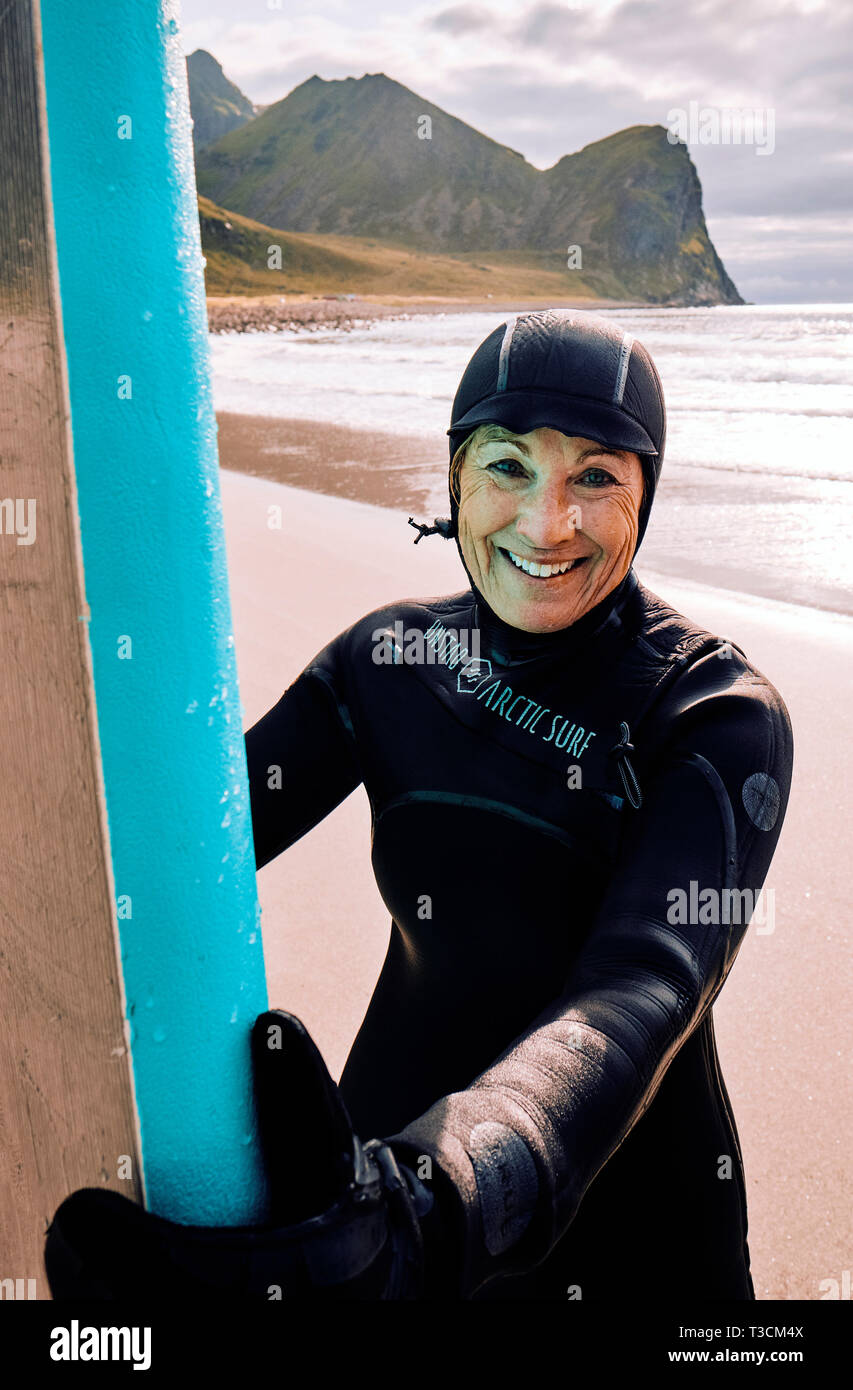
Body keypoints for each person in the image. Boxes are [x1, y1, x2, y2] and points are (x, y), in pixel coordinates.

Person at [43, 310, 793, 1302]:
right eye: (508, 467)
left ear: (645, 496)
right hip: (372, 1175)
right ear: (454, 476)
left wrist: (434, 1204)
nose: (546, 523)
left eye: (596, 477)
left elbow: (641, 987)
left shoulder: (711, 713)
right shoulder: (389, 662)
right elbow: (175, 864)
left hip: (620, 1218)